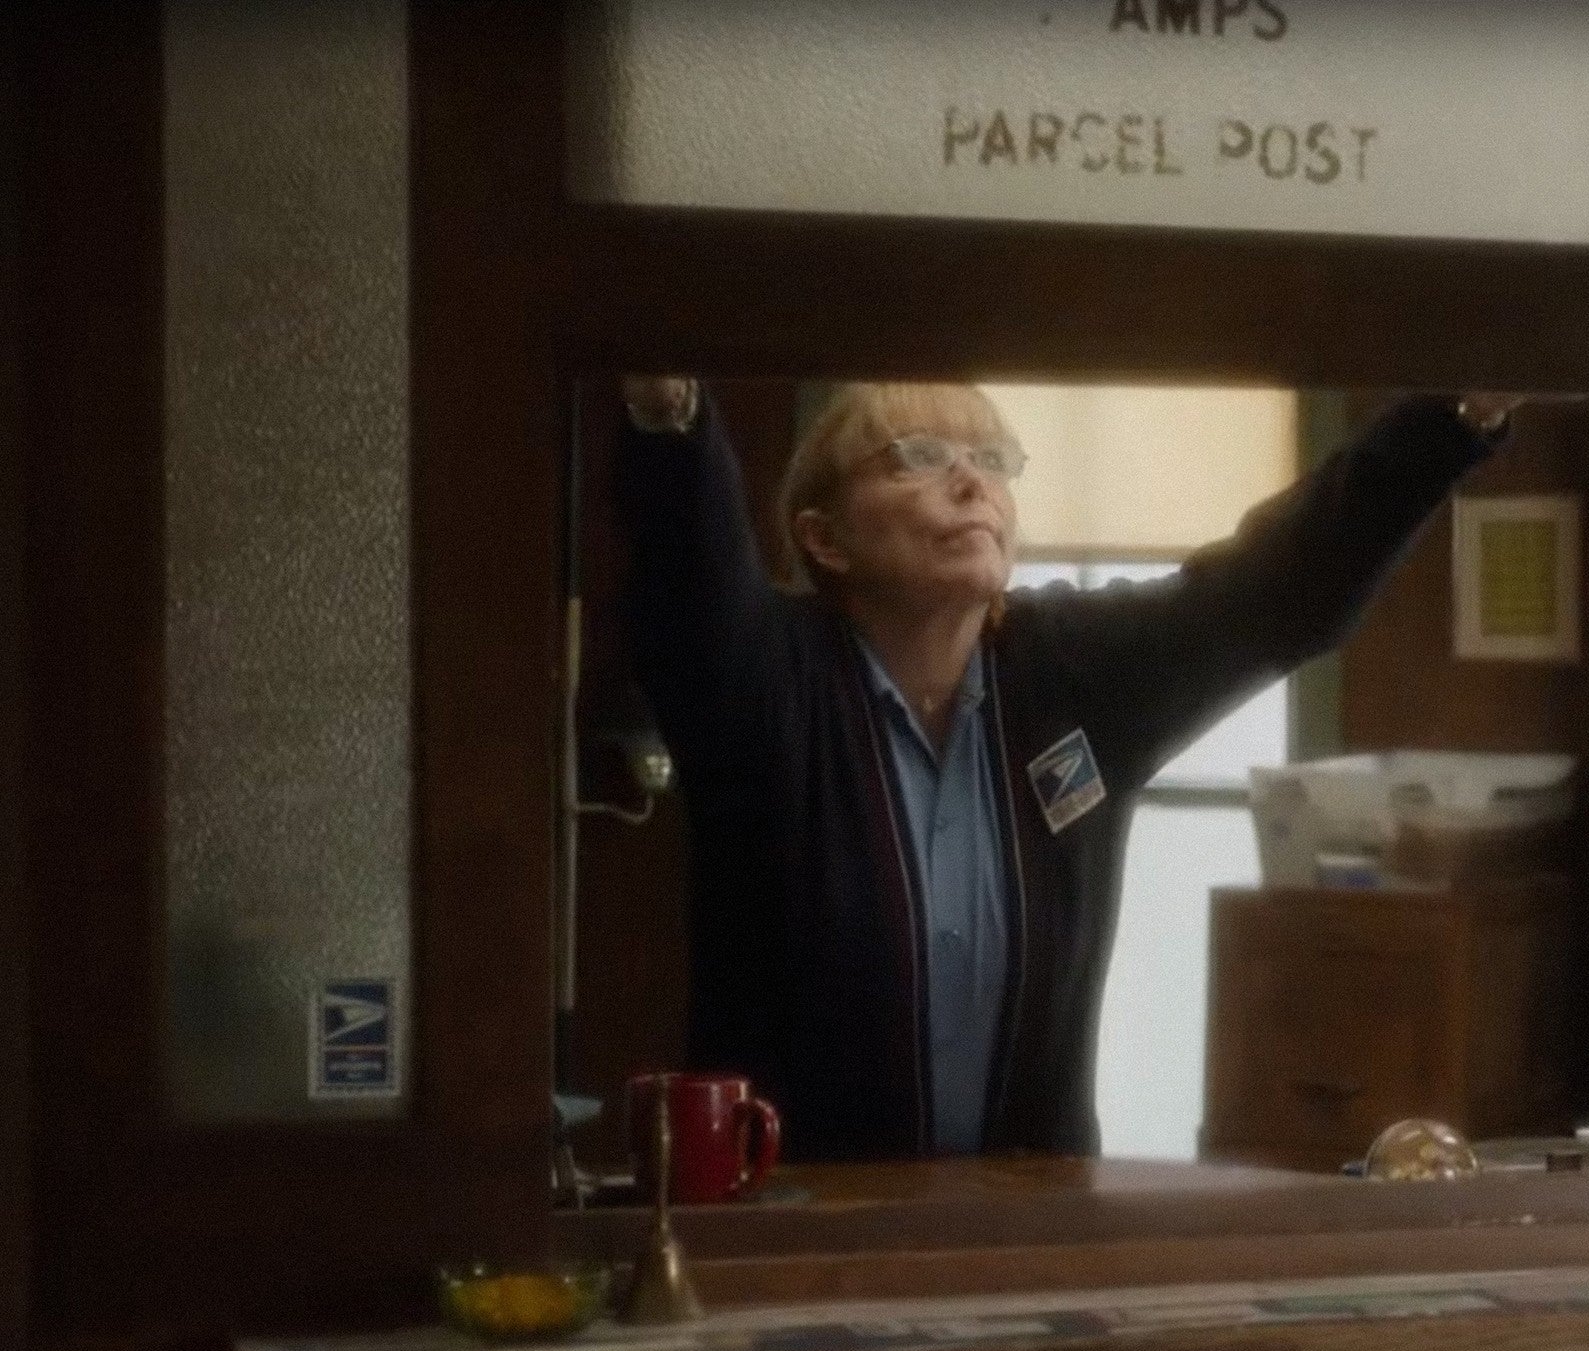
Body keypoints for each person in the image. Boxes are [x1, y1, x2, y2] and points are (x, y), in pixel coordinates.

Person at [615, 376, 1516, 1161]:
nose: (972, 482)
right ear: (824, 539)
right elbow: (690, 579)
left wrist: (1455, 416)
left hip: (1027, 1208)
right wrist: (665, 412)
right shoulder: (769, 681)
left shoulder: (1067, 672)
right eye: (917, 457)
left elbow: (1274, 595)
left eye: (993, 460)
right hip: (796, 1216)